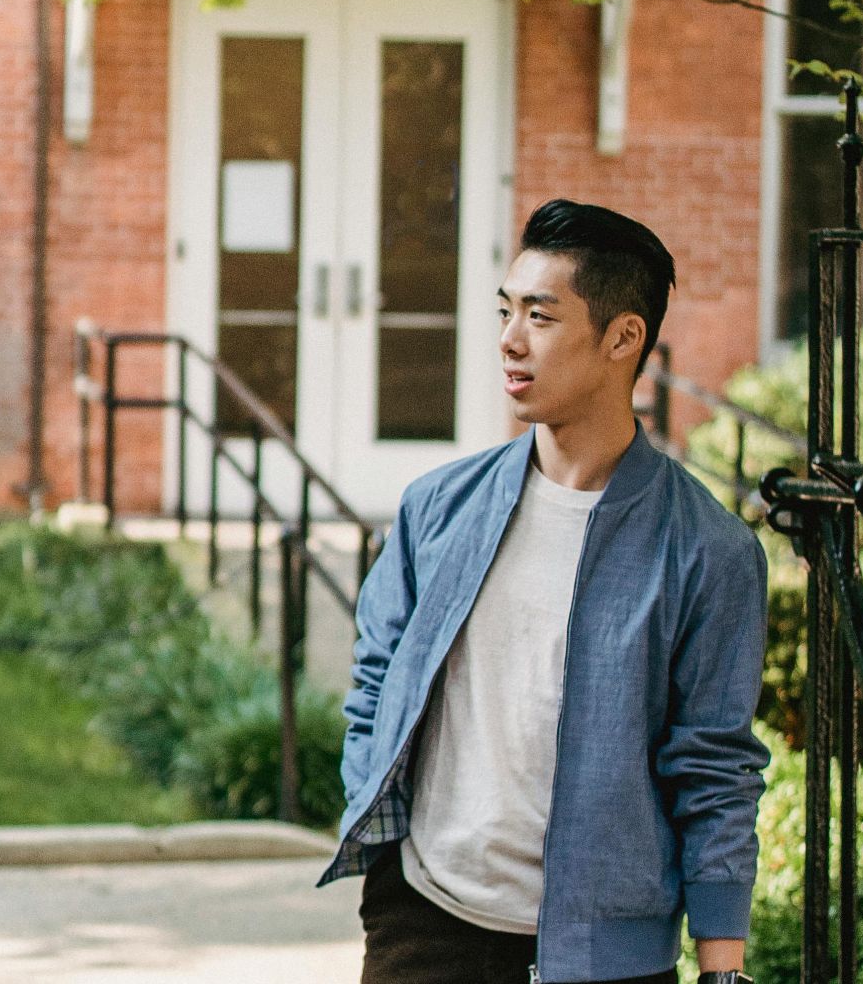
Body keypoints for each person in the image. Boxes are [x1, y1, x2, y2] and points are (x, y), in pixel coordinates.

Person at [321, 199, 770, 984]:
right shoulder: (438, 508)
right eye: (506, 310)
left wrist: (721, 965)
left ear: (622, 338)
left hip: (605, 957)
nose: (509, 339)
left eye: (541, 315)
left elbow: (714, 764)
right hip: (423, 925)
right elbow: (377, 676)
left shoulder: (707, 550)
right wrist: (379, 830)